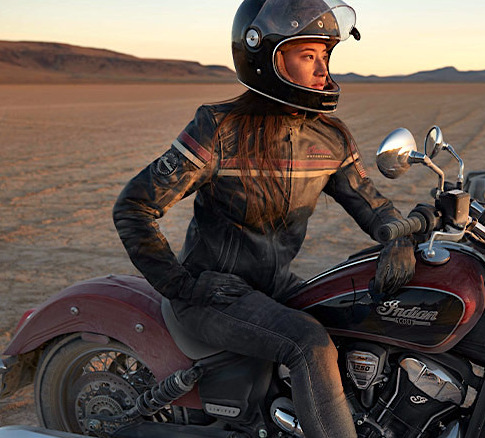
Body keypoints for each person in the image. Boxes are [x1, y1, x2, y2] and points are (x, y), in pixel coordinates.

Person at [112, 1, 415, 437]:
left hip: (274, 288)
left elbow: (370, 203)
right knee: (309, 344)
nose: (322, 70)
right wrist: (184, 285)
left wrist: (398, 234)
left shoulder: (329, 137)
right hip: (213, 294)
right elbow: (135, 206)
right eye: (308, 56)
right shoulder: (219, 129)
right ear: (267, 57)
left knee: (359, 315)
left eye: (325, 56)